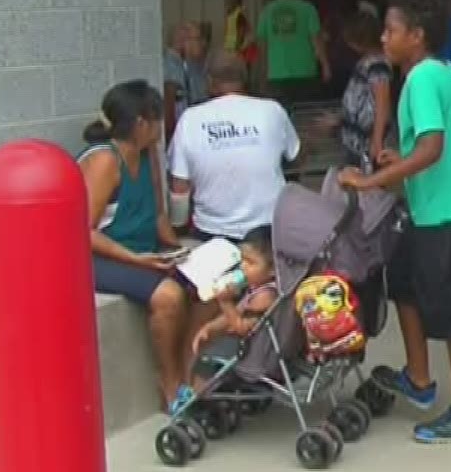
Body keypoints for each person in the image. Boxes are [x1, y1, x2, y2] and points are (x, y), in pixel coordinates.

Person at [343, 0, 451, 444]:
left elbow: (433, 148)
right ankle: (419, 378)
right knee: (404, 282)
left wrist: (372, 181)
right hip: (433, 209)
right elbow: (428, 146)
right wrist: (397, 159)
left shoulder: (422, 79)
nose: (384, 38)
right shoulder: (443, 72)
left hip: (449, 213)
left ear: (417, 36)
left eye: (391, 31)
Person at [79, 80, 198, 415]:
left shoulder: (148, 154)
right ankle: (170, 384)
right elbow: (81, 232)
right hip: (95, 258)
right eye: (158, 119)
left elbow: (157, 214)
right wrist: (137, 260)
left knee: (210, 281)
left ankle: (191, 373)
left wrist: (179, 250)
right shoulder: (105, 160)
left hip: (139, 252)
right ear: (142, 123)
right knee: (168, 296)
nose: (162, 127)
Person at [168, 53, 301, 245]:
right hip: (268, 228)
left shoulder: (190, 118)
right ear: (245, 79)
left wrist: (178, 231)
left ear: (209, 81)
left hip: (212, 231)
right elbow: (294, 154)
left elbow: (180, 185)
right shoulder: (272, 110)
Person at [189, 226, 280, 355]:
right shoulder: (255, 286)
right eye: (242, 259)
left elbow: (242, 329)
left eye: (250, 262)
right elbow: (237, 311)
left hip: (255, 352)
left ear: (273, 269)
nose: (242, 266)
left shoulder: (265, 295)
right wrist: (211, 328)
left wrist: (225, 302)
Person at [329, 9, 395, 172]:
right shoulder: (367, 62)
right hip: (355, 137)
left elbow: (382, 103)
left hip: (366, 139)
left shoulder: (377, 65)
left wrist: (377, 140)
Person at [257, 0, 330, 102]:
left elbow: (263, 45)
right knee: (304, 114)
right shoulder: (308, 9)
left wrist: (263, 73)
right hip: (305, 71)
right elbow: (316, 40)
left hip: (276, 73)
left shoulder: (267, 10)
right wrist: (325, 66)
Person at [162, 21, 209, 134]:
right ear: (182, 41)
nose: (203, 44)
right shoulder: (167, 68)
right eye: (198, 39)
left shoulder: (196, 66)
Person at [221, 0, 256, 69]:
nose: (227, 0)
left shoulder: (239, 14)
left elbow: (241, 32)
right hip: (232, 50)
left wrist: (236, 51)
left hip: (240, 51)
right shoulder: (230, 14)